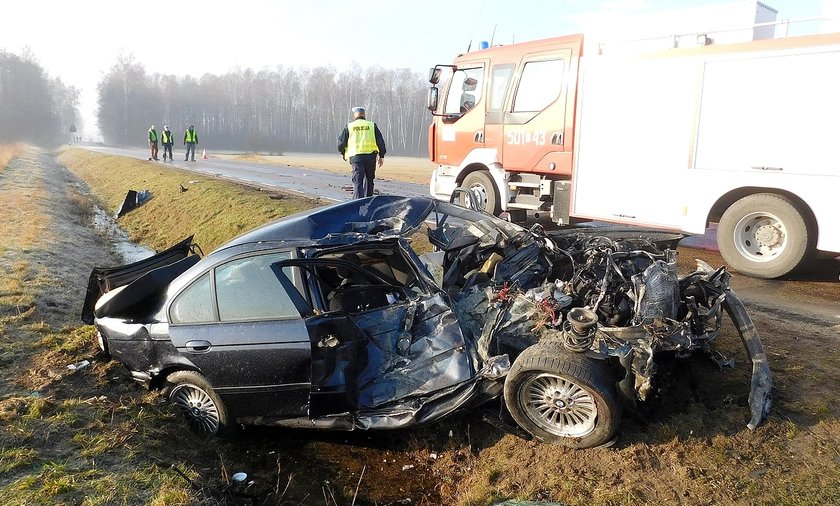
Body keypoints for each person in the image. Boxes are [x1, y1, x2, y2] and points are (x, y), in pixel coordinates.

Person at [337, 106, 386, 199]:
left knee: (358, 181)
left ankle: (357, 203)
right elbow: (380, 142)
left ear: (355, 115)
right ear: (364, 114)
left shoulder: (350, 126)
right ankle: (368, 202)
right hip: (371, 156)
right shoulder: (372, 125)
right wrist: (382, 156)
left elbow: (340, 144)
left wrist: (343, 153)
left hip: (356, 157)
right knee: (369, 180)